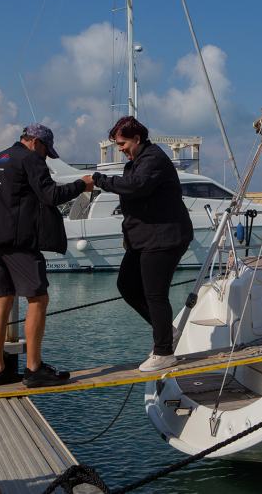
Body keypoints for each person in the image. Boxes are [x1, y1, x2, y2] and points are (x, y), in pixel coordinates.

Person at [0, 123, 93, 388]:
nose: (46, 157)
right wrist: (81, 184)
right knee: (38, 298)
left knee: (1, 303)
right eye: (46, 151)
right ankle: (34, 369)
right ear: (37, 143)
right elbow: (50, 195)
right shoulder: (30, 159)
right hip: (17, 241)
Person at [92, 116, 193, 372]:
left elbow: (136, 187)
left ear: (137, 138)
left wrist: (100, 180)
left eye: (122, 143)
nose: (120, 148)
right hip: (143, 238)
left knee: (155, 294)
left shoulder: (154, 159)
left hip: (165, 236)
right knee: (126, 285)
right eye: (117, 144)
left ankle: (164, 352)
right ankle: (166, 332)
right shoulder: (137, 161)